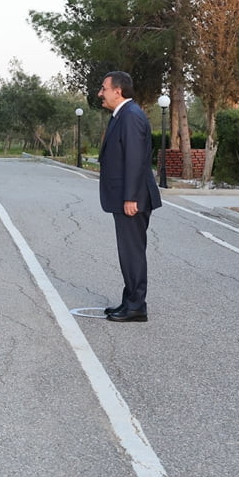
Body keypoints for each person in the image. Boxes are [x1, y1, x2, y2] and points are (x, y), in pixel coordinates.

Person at [97, 71, 162, 322]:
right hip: (126, 196)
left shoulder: (131, 116)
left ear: (118, 91)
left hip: (132, 199)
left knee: (132, 252)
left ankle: (136, 307)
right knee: (129, 252)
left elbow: (135, 160)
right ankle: (130, 301)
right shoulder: (122, 115)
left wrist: (131, 198)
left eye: (104, 88)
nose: (100, 93)